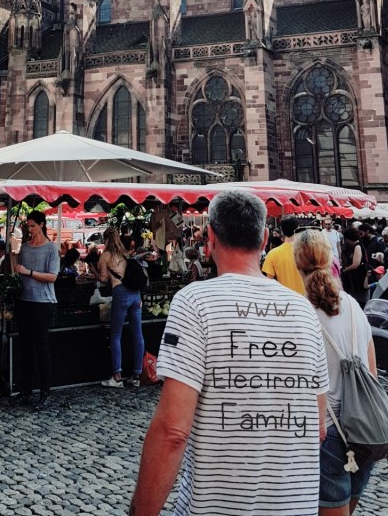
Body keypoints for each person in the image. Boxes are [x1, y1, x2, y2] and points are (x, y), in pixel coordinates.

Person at [129, 190, 329, 516]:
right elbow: (318, 427)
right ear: (264, 238)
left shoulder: (195, 302)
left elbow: (173, 432)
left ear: (210, 236)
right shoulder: (303, 310)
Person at [293, 228, 377, 516]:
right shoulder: (353, 305)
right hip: (365, 426)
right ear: (331, 260)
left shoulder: (300, 313)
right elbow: (372, 372)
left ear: (296, 264)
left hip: (327, 428)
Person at [13, 211, 59, 410]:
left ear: (41, 225)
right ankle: (26, 391)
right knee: (25, 347)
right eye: (28, 226)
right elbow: (16, 268)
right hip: (24, 301)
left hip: (43, 302)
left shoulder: (51, 249)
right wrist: (12, 253)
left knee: (41, 347)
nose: (30, 229)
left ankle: (45, 392)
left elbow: (52, 277)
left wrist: (29, 272)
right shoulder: (24, 247)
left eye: (32, 226)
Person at [98, 227, 145, 390]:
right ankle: (137, 375)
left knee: (116, 334)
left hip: (121, 293)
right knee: (138, 334)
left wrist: (93, 271)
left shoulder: (106, 256)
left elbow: (103, 279)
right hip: (136, 294)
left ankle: (117, 376)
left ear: (105, 239)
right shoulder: (126, 253)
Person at [262, 215, 306, 294]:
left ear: (281, 231)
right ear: (297, 229)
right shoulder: (307, 251)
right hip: (304, 301)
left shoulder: (272, 254)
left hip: (283, 300)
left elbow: (269, 284)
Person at [341, 227, 368, 309]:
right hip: (355, 276)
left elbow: (356, 264)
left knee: (360, 298)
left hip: (359, 276)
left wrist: (344, 270)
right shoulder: (354, 246)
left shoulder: (357, 247)